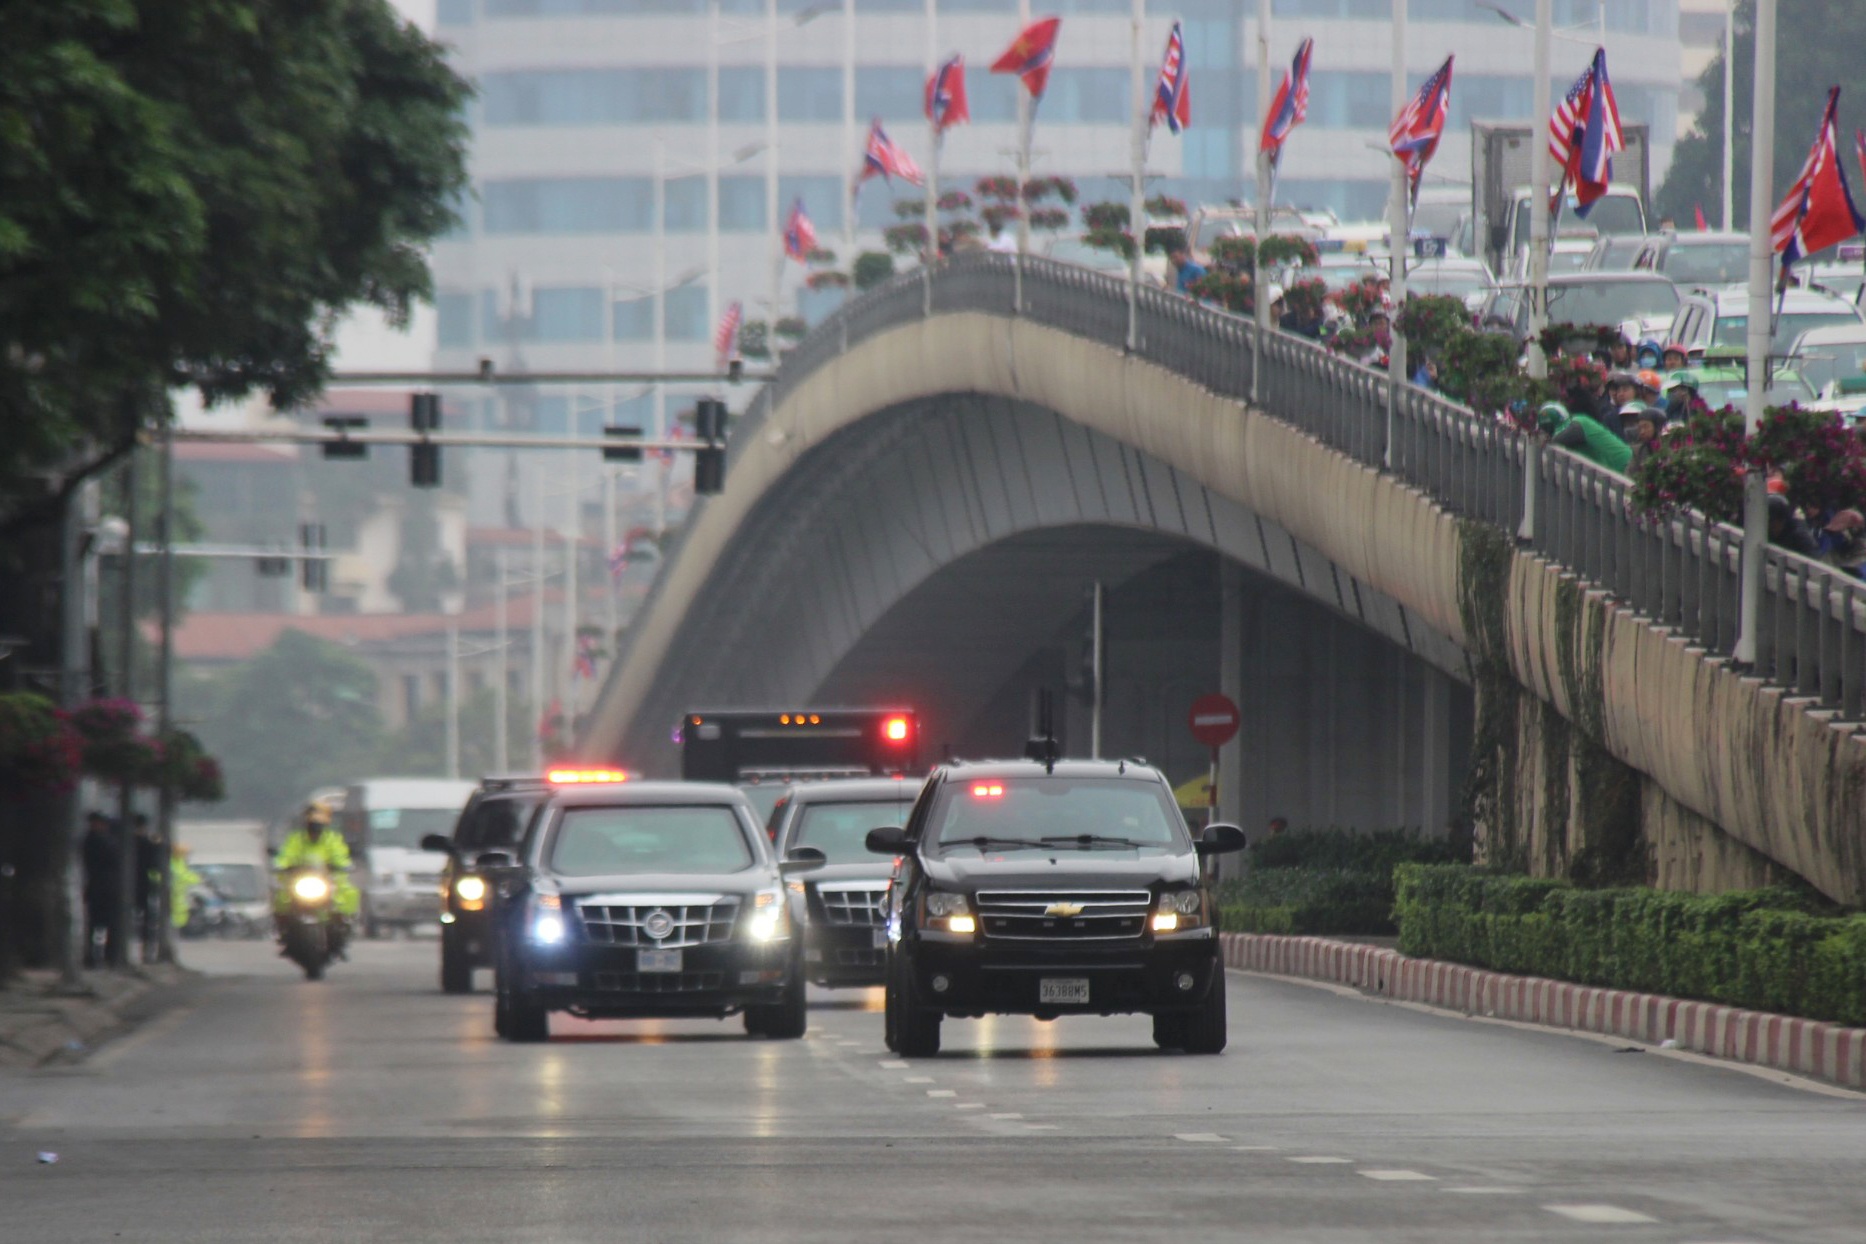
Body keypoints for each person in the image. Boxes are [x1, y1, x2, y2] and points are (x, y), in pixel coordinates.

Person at [272, 802, 359, 949]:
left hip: (325, 881)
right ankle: (284, 931)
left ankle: (341, 930)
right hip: (300, 881)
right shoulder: (296, 839)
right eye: (312, 825)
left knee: (345, 896)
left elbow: (340, 856)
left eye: (318, 826)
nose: (314, 830)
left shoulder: (332, 839)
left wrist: (343, 865)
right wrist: (281, 864)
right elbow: (285, 855)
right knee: (281, 897)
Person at [1538, 401, 1633, 474]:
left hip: (1626, 465)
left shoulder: (1579, 422)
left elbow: (1560, 440)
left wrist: (1545, 443)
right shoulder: (1578, 421)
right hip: (1616, 469)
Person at [80, 812, 120, 968]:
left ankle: (101, 956)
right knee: (99, 925)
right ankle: (96, 957)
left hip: (102, 888)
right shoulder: (94, 840)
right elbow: (112, 856)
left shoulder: (94, 839)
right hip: (100, 888)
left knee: (104, 925)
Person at [1628, 407, 1666, 472]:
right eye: (1640, 428)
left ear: (1657, 427)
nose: (1642, 432)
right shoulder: (1638, 451)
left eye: (1646, 427)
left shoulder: (1669, 449)